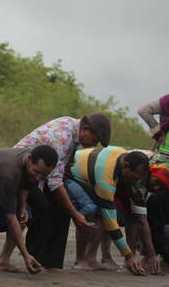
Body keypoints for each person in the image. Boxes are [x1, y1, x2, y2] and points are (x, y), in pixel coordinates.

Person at [14, 113, 111, 270]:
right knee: (43, 209)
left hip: (41, 176)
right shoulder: (63, 137)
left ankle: (52, 262)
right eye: (94, 140)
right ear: (85, 129)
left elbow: (58, 173)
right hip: (23, 174)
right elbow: (55, 182)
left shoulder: (72, 127)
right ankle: (34, 258)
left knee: (62, 209)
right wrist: (76, 215)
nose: (93, 145)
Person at [0, 146, 58, 274]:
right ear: (29, 159)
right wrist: (26, 255)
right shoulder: (8, 171)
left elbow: (27, 183)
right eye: (36, 172)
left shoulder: (34, 165)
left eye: (44, 175)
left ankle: (4, 261)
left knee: (23, 215)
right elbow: (10, 218)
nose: (38, 178)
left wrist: (23, 205)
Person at [64, 147, 150, 275]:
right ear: (125, 166)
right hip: (68, 175)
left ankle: (91, 258)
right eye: (133, 178)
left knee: (100, 215)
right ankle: (80, 260)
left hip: (87, 175)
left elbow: (140, 216)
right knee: (91, 211)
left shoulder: (122, 156)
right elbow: (111, 223)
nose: (134, 182)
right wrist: (128, 255)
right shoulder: (105, 179)